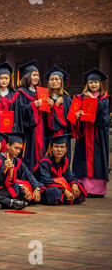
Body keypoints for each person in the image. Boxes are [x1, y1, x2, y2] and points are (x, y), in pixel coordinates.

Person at [71, 68, 110, 198]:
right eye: (91, 82)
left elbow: (104, 120)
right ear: (87, 84)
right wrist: (77, 116)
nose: (93, 85)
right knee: (82, 159)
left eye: (96, 82)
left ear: (100, 84)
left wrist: (92, 101)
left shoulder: (104, 99)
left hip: (97, 136)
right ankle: (83, 187)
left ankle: (97, 190)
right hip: (84, 134)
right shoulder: (79, 98)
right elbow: (73, 116)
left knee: (97, 160)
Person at [34, 134, 87, 205]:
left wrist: (74, 184)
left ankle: (64, 199)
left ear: (66, 150)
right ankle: (66, 199)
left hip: (60, 188)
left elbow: (70, 176)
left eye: (62, 147)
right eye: (56, 146)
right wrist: (64, 190)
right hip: (45, 189)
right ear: (51, 148)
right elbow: (47, 181)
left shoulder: (64, 161)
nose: (59, 149)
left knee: (79, 186)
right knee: (54, 192)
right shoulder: (45, 162)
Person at [16, 59, 47, 171]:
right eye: (34, 75)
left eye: (38, 75)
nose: (36, 78)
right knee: (29, 153)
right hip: (29, 131)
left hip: (40, 129)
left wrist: (50, 105)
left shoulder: (41, 92)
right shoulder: (21, 93)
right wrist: (33, 105)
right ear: (27, 76)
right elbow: (20, 112)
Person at [0, 133, 45, 204]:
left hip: (15, 188)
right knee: (17, 189)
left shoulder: (17, 161)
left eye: (20, 149)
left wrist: (36, 188)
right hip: (0, 189)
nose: (18, 151)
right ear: (8, 146)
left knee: (40, 187)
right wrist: (21, 187)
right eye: (16, 148)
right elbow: (1, 181)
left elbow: (29, 176)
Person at [0, 62, 22, 151]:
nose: (4, 81)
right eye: (1, 78)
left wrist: (13, 127)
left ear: (10, 80)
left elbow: (17, 115)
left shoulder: (15, 95)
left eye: (6, 78)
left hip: (11, 130)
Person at [45, 65, 73, 160]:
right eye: (51, 79)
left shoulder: (67, 99)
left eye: (57, 79)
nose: (54, 82)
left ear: (61, 82)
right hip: (49, 134)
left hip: (64, 134)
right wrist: (54, 106)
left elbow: (69, 119)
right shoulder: (45, 98)